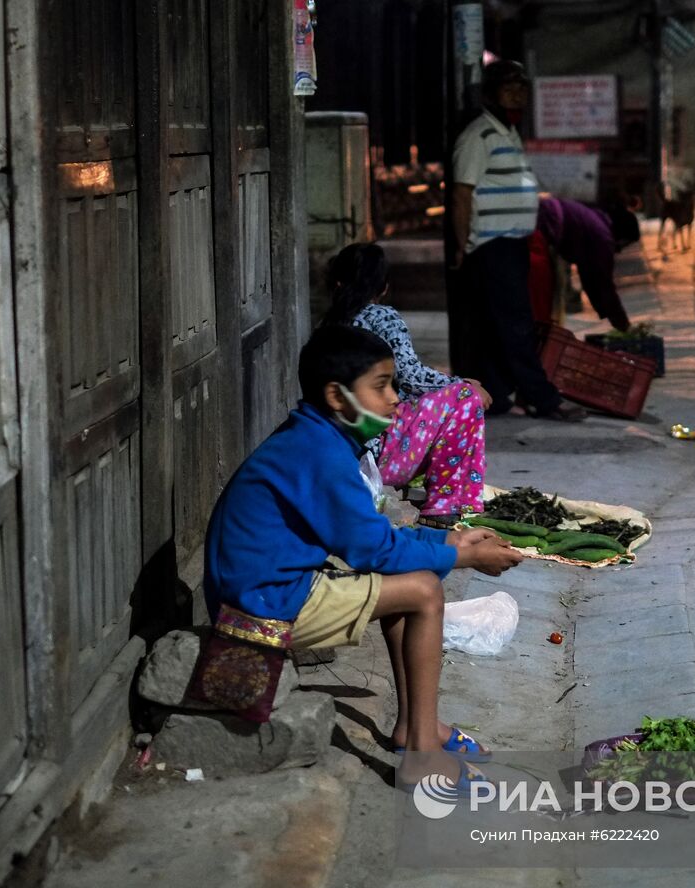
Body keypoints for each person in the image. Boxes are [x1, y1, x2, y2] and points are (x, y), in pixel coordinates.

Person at [203, 324, 524, 785]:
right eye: (381, 386)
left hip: (269, 588)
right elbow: (375, 551)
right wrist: (466, 558)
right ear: (337, 396)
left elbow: (371, 538)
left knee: (409, 583)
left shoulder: (319, 440)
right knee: (424, 591)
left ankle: (418, 726)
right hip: (262, 606)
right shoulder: (319, 454)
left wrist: (451, 542)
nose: (395, 397)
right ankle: (422, 759)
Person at [449, 58, 587, 422]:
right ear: (492, 95)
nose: (517, 98)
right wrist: (463, 245)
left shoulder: (507, 134)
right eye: (508, 90)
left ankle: (497, 395)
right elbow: (463, 194)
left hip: (512, 244)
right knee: (516, 324)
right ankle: (542, 398)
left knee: (498, 324)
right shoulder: (479, 136)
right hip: (493, 245)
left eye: (521, 91)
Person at [321, 243, 491, 526]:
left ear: (337, 284)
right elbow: (412, 377)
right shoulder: (381, 316)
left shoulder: (328, 326)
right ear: (384, 287)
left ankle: (453, 499)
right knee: (465, 397)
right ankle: (445, 505)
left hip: (349, 451)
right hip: (377, 452)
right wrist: (466, 384)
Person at [535, 196, 640, 333]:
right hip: (541, 227)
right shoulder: (602, 237)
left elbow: (589, 276)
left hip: (539, 216)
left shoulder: (595, 219)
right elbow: (604, 285)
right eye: (624, 244)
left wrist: (604, 311)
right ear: (621, 234)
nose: (619, 250)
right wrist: (624, 326)